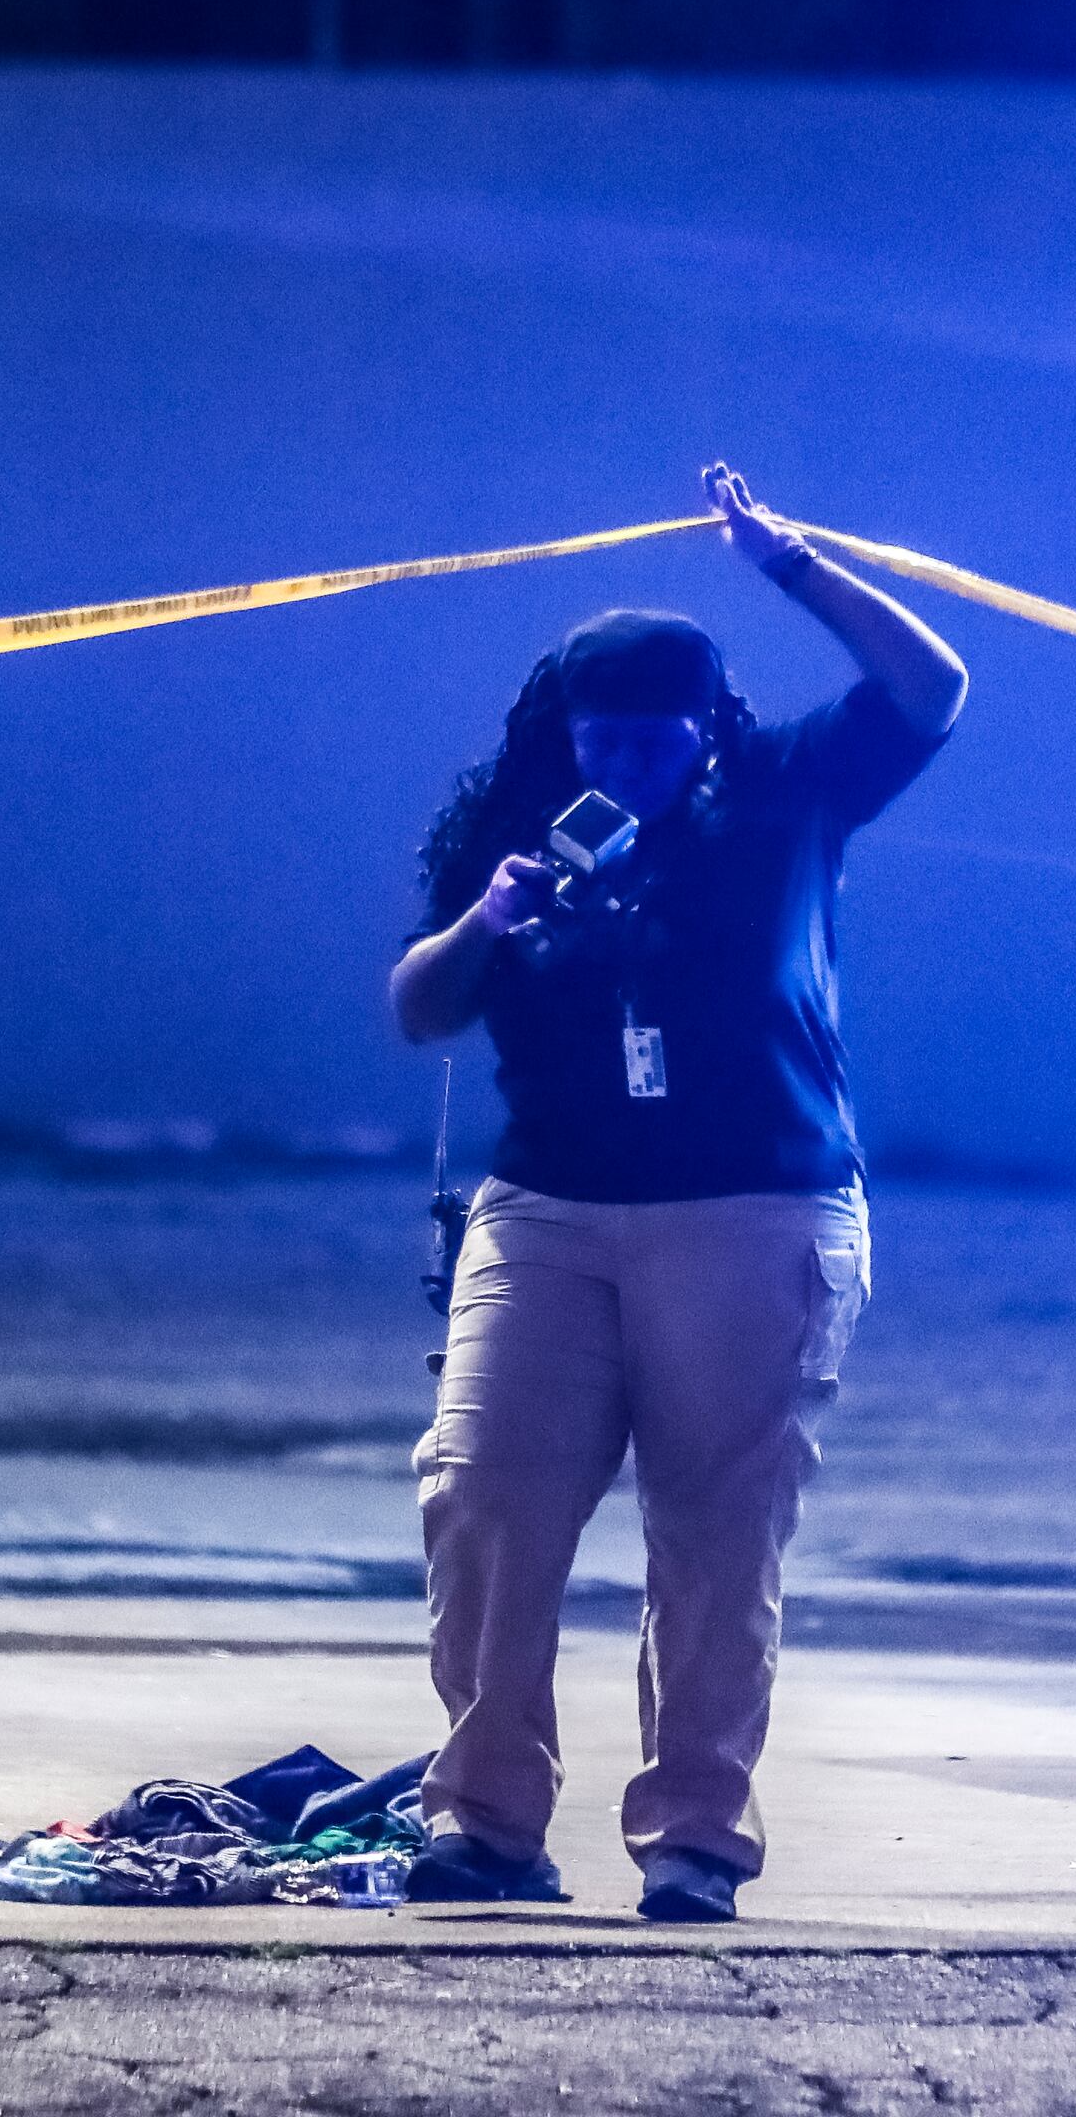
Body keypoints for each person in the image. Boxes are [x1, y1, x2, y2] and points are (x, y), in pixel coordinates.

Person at [387, 463, 967, 1922]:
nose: (630, 764)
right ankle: (484, 1822)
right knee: (484, 1490)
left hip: (754, 1207)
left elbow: (934, 686)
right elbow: (419, 1009)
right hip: (551, 1208)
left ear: (706, 727)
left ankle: (695, 1835)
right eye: (604, 739)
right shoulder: (523, 833)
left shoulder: (785, 793)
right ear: (565, 730)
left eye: (657, 739)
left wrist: (793, 566)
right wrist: (492, 918)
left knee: (715, 1529)